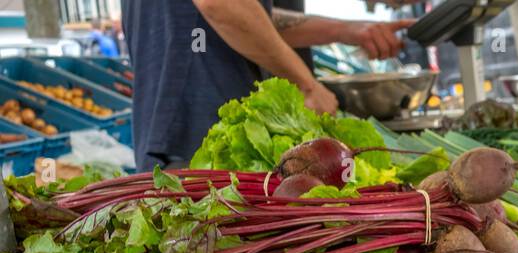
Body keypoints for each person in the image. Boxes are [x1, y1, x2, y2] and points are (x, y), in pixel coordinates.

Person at [123, 1, 412, 172]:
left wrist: (347, 31)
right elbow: (223, 5)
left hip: (206, 134)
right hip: (194, 137)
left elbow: (251, 15)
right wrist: (307, 85)